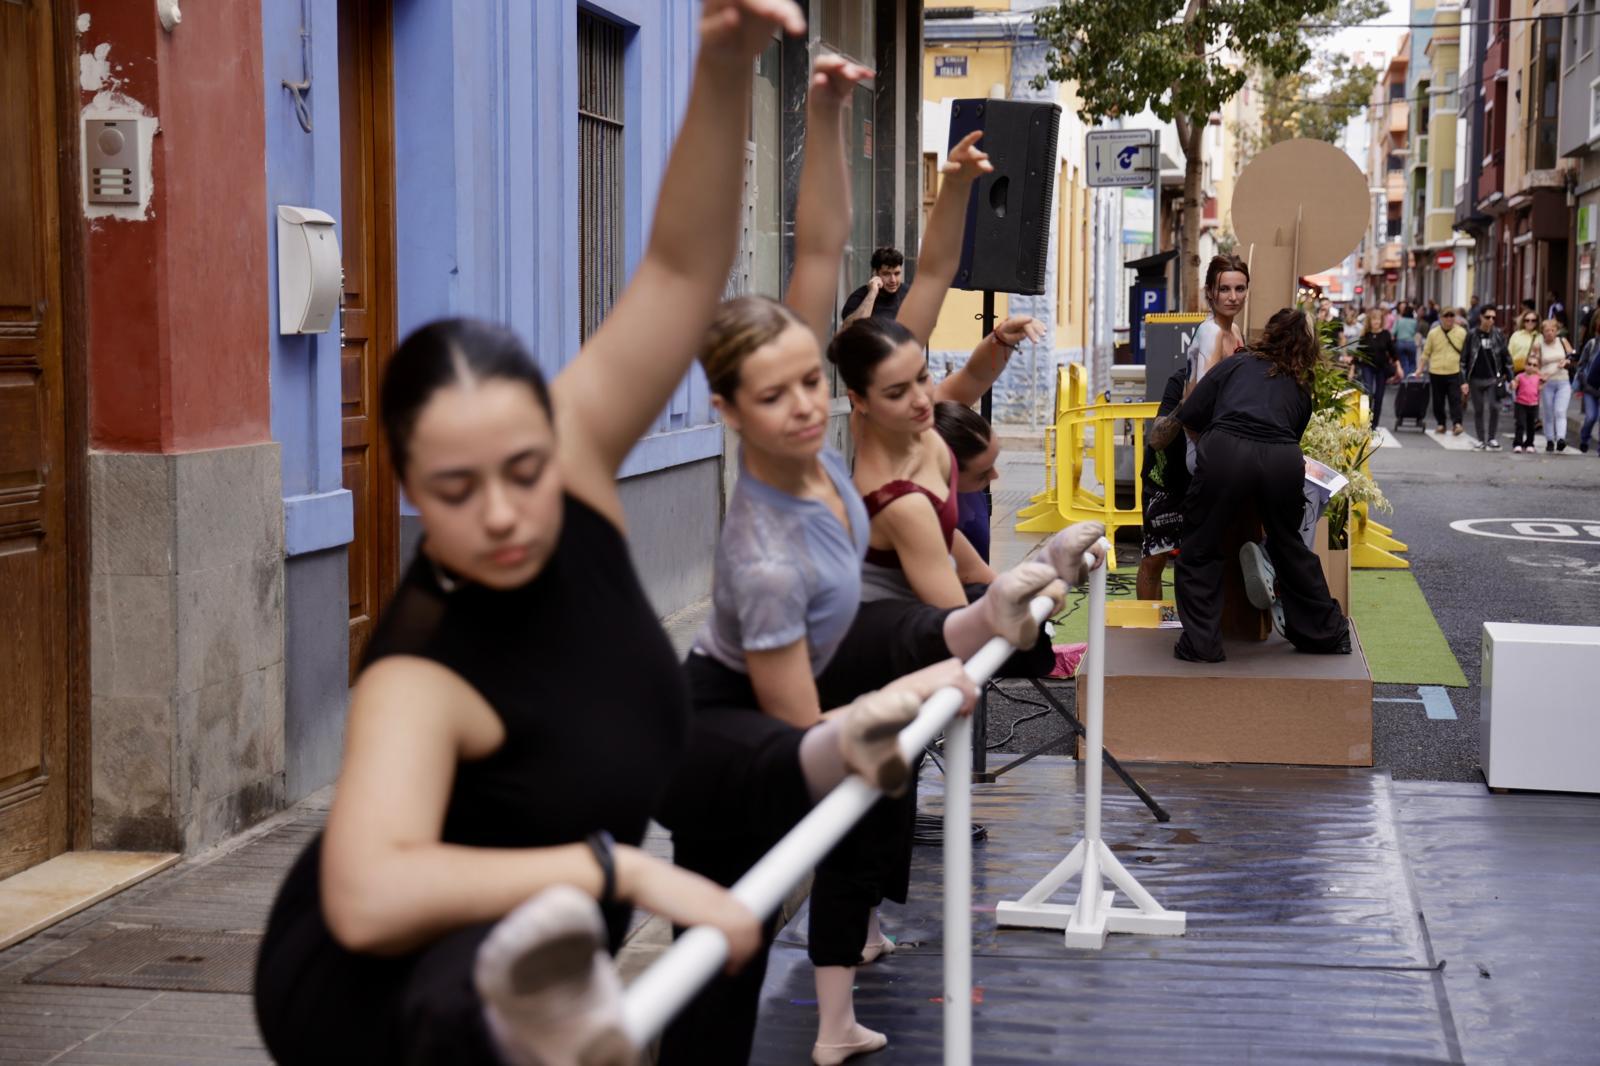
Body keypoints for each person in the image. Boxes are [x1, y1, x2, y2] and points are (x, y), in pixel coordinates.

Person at [250, 8, 811, 1063]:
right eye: (455, 490)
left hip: (531, 973)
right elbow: (367, 896)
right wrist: (617, 870)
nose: (503, 512)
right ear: (409, 486)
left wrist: (724, 62)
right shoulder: (420, 670)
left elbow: (681, 274)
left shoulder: (580, 460)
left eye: (521, 470)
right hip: (388, 996)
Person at [1170, 308, 1351, 663]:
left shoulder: (1237, 364)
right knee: (1290, 545)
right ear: (1307, 347)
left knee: (1200, 547)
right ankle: (1324, 633)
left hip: (1226, 451)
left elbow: (1190, 414)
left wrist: (1209, 454)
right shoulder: (1300, 388)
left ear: (1269, 333)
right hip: (1283, 459)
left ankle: (1202, 644)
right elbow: (1290, 436)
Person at [929, 314, 1048, 562]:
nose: (995, 476)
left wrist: (1000, 340)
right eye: (981, 474)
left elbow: (974, 376)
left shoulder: (934, 414)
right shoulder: (925, 517)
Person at [1179, 254, 1251, 473]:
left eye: (1240, 289)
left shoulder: (1235, 331)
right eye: (1224, 289)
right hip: (1207, 447)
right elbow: (1200, 403)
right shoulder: (1212, 332)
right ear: (1210, 292)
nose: (1233, 297)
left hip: (1226, 442)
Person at [1139, 364, 1191, 600]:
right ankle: (1147, 629)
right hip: (1165, 476)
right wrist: (1185, 404)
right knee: (1154, 557)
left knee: (1195, 559)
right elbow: (1157, 438)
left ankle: (1194, 627)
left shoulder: (1234, 380)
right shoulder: (1181, 379)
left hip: (1204, 476)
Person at [1460, 305, 1510, 450]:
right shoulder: (1471, 334)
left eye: (1493, 318)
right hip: (1475, 378)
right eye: (1488, 317)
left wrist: (1510, 377)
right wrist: (1463, 381)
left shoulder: (1498, 334)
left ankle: (1492, 438)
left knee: (1494, 407)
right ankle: (1481, 439)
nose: (1491, 320)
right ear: (1481, 317)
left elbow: (1506, 356)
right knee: (1479, 409)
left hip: (1493, 377)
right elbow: (1464, 359)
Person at [1417, 306, 1466, 434]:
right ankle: (1441, 423)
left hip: (1454, 370)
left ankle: (1457, 423)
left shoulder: (1461, 333)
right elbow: (1426, 352)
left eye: (1452, 316)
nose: (1449, 318)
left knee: (1455, 399)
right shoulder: (1433, 333)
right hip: (1436, 371)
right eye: (1446, 316)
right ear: (1440, 318)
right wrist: (1420, 369)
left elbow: (1466, 354)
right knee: (1438, 401)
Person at [1532, 317, 1576, 451]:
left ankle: (1561, 438)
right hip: (1547, 383)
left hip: (1563, 381)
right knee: (1548, 412)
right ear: (1542, 332)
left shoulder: (1562, 341)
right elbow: (1533, 364)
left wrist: (1567, 361)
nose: (1550, 333)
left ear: (1557, 331)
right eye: (1547, 330)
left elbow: (1572, 355)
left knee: (1560, 410)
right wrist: (1540, 375)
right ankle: (1550, 439)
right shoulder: (1539, 345)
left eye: (1552, 330)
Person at [840, 246, 909, 323]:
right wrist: (872, 293)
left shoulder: (909, 293)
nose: (893, 280)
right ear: (875, 273)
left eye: (897, 274)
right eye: (886, 274)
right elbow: (851, 327)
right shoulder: (859, 297)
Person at [1356, 307, 1398, 429]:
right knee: (1368, 393)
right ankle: (1365, 422)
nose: (1376, 322)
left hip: (1382, 368)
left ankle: (1374, 424)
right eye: (1374, 319)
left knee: (1379, 396)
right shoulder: (1366, 335)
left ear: (1381, 321)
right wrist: (1353, 366)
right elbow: (1359, 352)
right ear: (1370, 321)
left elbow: (1393, 352)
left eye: (1378, 319)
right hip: (1367, 366)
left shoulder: (1385, 334)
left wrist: (1398, 367)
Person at [1575, 312, 1600, 452]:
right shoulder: (1591, 344)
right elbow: (1581, 365)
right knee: (1591, 417)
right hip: (1590, 387)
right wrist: (1583, 381)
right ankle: (1585, 438)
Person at [1511, 362, 1543, 452]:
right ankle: (1518, 443)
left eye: (1534, 365)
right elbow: (1514, 385)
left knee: (1531, 425)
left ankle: (1529, 443)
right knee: (1520, 423)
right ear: (1525, 365)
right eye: (1529, 364)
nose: (1531, 367)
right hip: (1521, 403)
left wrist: (1539, 372)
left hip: (1533, 404)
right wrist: (1512, 385)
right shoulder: (1520, 376)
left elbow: (1544, 381)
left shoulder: (1538, 377)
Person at [1508, 308, 1540, 373]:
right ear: (1523, 322)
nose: (1530, 322)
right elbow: (1509, 353)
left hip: (1534, 371)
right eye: (1527, 320)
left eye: (1533, 320)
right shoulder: (1516, 335)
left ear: (1537, 322)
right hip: (1518, 370)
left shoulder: (1540, 337)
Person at [1392, 301, 1420, 377]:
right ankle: (1411, 381)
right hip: (1411, 342)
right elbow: (1416, 332)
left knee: (1403, 363)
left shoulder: (1399, 320)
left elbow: (1393, 332)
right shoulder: (1414, 322)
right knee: (1412, 363)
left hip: (1400, 343)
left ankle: (1404, 381)